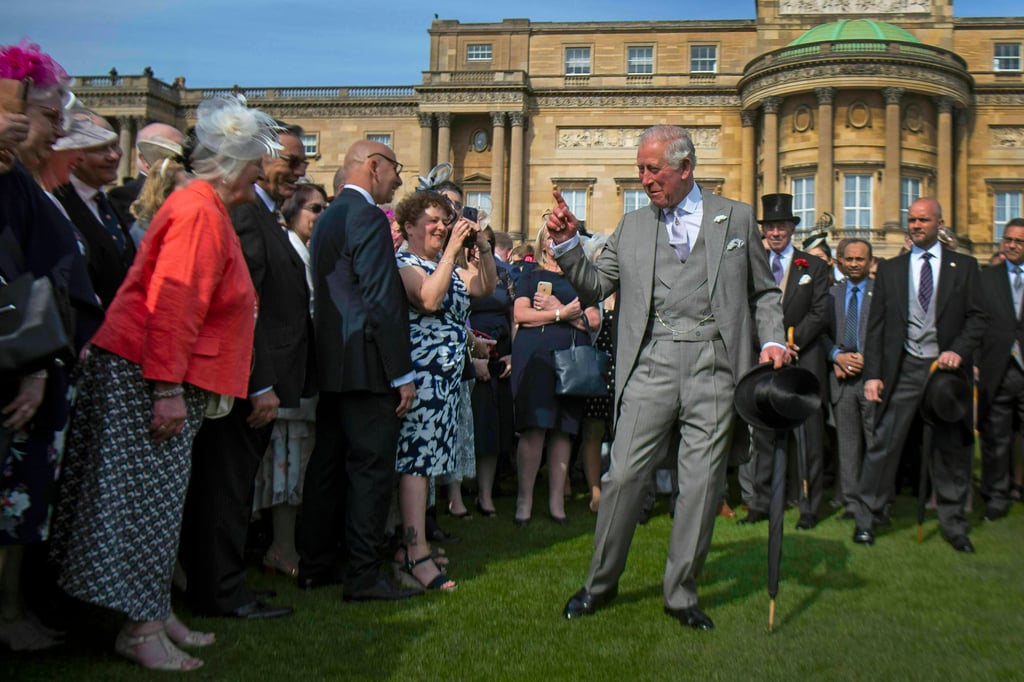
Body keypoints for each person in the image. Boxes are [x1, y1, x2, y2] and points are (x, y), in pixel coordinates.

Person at [50, 94, 279, 670]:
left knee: (160, 506)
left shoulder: (203, 206)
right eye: (254, 162)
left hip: (153, 372)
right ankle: (141, 628)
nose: (260, 173)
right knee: (146, 506)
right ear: (231, 165)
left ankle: (153, 614)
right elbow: (173, 305)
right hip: (146, 374)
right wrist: (167, 388)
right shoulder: (200, 210)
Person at [548, 124, 786, 630]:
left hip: (716, 368)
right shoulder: (632, 226)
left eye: (653, 169)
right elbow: (594, 286)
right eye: (640, 169)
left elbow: (763, 293)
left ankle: (681, 595)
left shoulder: (737, 218)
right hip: (650, 364)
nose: (645, 178)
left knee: (700, 487)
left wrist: (771, 339)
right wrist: (569, 245)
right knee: (624, 477)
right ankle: (598, 585)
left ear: (685, 168)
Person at [181, 123, 313, 620]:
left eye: (302, 163)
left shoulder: (262, 213)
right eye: (288, 161)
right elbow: (245, 305)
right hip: (244, 380)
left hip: (255, 378)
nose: (298, 172)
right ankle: (220, 591)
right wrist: (258, 382)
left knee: (235, 489)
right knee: (226, 489)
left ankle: (224, 584)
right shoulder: (243, 212)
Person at [0, 43, 103, 652]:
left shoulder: (21, 182)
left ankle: (15, 611)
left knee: (23, 506)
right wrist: (36, 364)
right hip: (18, 368)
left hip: (38, 368)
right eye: (47, 119)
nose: (58, 133)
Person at [296, 139, 420, 601]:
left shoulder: (328, 216)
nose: (400, 179)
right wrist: (401, 373)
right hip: (367, 368)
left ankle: (316, 563)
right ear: (373, 167)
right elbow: (381, 300)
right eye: (396, 169)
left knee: (327, 466)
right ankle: (364, 575)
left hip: (333, 365)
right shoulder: (366, 215)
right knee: (370, 470)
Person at [854, 198, 986, 552]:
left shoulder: (966, 266)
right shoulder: (892, 270)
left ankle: (954, 524)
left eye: (923, 220)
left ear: (939, 223)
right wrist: (873, 374)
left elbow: (978, 318)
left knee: (951, 449)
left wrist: (958, 349)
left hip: (947, 371)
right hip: (904, 368)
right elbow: (877, 328)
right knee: (883, 444)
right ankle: (867, 518)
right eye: (911, 220)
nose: (916, 225)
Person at [391, 190, 496, 591]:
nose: (440, 227)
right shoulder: (405, 263)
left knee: (430, 463)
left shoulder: (443, 265)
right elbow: (430, 300)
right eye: (432, 220)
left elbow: (483, 288)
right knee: (416, 464)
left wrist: (483, 249)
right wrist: (452, 250)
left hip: (448, 380)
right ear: (409, 227)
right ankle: (414, 555)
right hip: (420, 379)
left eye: (445, 220)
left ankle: (410, 546)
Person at [739, 194, 829, 530]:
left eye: (782, 226)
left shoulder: (814, 267)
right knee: (762, 433)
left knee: (807, 436)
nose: (776, 233)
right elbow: (746, 309)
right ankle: (760, 503)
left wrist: (792, 343)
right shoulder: (752, 263)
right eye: (771, 227)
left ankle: (808, 504)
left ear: (792, 229)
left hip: (802, 361)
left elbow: (821, 312)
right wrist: (767, 344)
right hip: (762, 361)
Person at [251, 183, 326, 576]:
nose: (319, 215)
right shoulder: (286, 249)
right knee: (285, 462)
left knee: (296, 463)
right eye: (314, 208)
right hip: (285, 376)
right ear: (292, 211)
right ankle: (280, 547)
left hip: (304, 375)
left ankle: (285, 544)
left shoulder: (308, 253)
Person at [511, 225, 601, 526]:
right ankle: (524, 501)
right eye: (549, 237)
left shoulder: (580, 279)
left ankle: (555, 504)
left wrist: (558, 308)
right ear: (541, 243)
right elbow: (521, 314)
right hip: (535, 358)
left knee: (564, 429)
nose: (553, 241)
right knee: (535, 427)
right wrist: (561, 315)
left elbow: (594, 318)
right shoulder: (530, 275)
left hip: (572, 364)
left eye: (559, 237)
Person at [54, 112, 136, 308]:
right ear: (73, 153)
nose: (114, 155)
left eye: (114, 144)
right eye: (99, 149)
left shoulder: (109, 203)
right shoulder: (59, 204)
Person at [975, 217, 1024, 521]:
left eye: (1019, 241)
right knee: (995, 435)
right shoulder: (986, 278)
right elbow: (976, 322)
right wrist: (977, 362)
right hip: (998, 369)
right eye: (1008, 239)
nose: (1012, 245)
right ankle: (996, 495)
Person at [467, 226, 516, 516]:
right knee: (471, 427)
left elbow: (513, 317)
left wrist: (513, 353)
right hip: (471, 360)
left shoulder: (503, 275)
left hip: (501, 359)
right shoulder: (457, 274)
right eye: (473, 245)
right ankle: (457, 493)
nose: (477, 250)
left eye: (484, 245)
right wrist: (472, 357)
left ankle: (485, 495)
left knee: (493, 430)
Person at [826, 238, 876, 518]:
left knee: (874, 444)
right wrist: (836, 355)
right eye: (849, 259)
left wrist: (868, 359)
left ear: (870, 262)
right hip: (841, 379)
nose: (855, 264)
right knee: (847, 446)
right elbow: (822, 334)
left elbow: (888, 334)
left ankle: (877, 501)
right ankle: (852, 503)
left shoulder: (881, 293)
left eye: (860, 259)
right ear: (840, 262)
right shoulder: (831, 294)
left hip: (870, 380)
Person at [108, 121, 185, 226]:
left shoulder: (186, 193)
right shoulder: (122, 197)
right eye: (172, 157)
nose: (182, 163)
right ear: (144, 159)